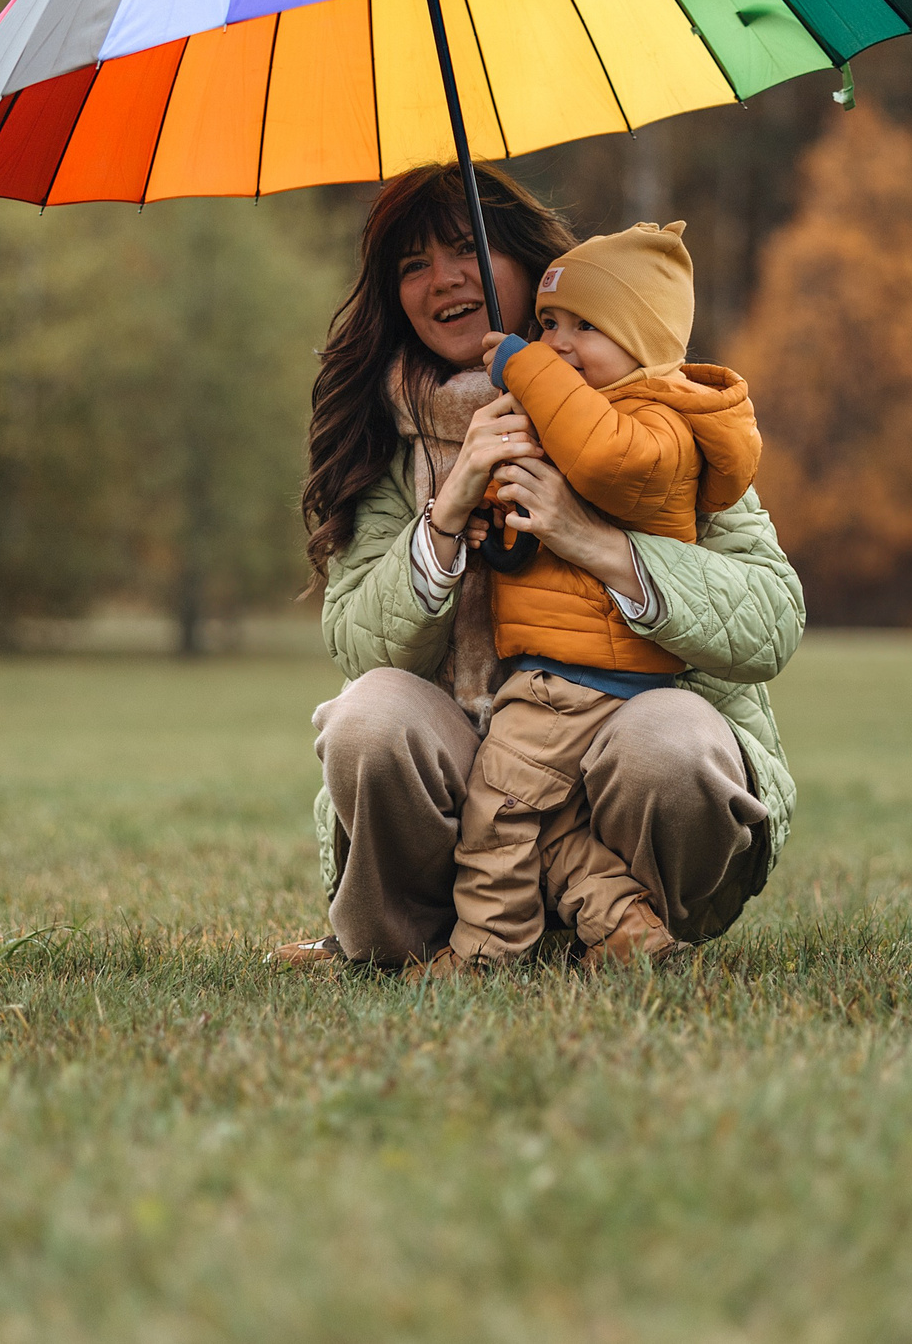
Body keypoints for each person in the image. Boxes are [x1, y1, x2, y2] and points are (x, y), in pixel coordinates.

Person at [279, 163, 803, 972]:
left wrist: (595, 539)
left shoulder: (652, 414)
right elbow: (357, 642)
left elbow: (770, 618)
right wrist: (447, 510)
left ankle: (632, 927)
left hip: (613, 748)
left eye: (465, 249)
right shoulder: (387, 439)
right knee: (369, 716)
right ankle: (406, 935)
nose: (443, 279)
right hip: (470, 771)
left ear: (527, 266)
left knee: (673, 744)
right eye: (413, 264)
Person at [423, 221, 760, 974]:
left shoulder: (658, 424)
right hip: (572, 665)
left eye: (586, 326)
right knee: (551, 824)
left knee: (497, 812)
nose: (558, 342)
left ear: (644, 342)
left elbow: (603, 460)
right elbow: (546, 527)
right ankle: (627, 931)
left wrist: (524, 366)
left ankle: (482, 955)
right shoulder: (589, 411)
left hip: (577, 678)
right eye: (547, 323)